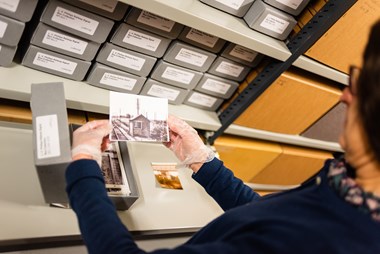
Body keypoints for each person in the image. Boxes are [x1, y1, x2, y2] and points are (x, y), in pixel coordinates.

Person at [66, 20, 380, 254]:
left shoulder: (326, 243)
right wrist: (202, 161)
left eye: (359, 82)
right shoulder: (348, 180)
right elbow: (266, 216)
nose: (344, 96)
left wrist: (83, 166)